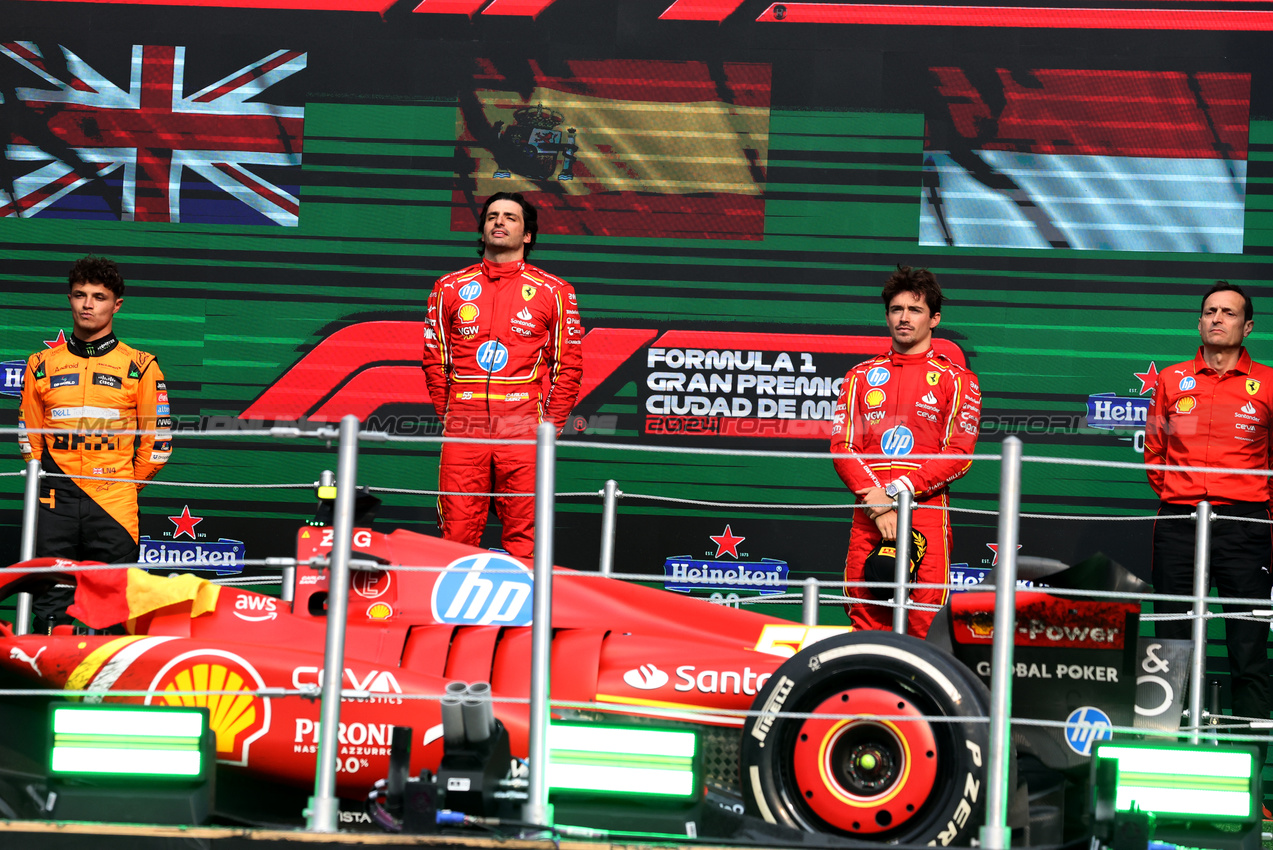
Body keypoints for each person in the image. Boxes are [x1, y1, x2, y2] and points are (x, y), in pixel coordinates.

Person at [422, 193, 584, 561]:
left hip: (524, 428)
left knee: (524, 534)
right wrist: (449, 413)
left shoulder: (555, 291)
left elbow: (568, 366)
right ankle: (455, 618)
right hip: (465, 425)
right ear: (481, 229)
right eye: (492, 216)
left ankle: (523, 619)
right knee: (457, 533)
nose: (500, 222)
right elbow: (435, 360)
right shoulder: (448, 287)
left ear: (527, 234)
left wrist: (549, 427)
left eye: (511, 217)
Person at [1144, 281, 1273, 744]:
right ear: (1199, 321)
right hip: (1179, 522)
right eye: (1210, 311)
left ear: (1248, 326)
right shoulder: (1171, 379)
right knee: (1170, 647)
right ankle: (1160, 759)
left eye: (1229, 313)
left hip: (1245, 525)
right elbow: (1155, 454)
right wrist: (1182, 496)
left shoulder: (1270, 383)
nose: (1218, 319)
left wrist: (1250, 508)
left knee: (1249, 649)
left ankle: (1255, 780)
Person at [18, 255, 172, 629]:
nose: (88, 304)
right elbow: (30, 437)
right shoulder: (41, 364)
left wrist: (124, 483)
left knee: (114, 609)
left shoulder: (141, 365)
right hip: (55, 501)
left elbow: (159, 441)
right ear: (69, 299)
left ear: (116, 304)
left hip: (115, 501)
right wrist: (49, 477)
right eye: (79, 295)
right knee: (50, 606)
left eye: (99, 297)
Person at [830, 265, 981, 638]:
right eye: (896, 309)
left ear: (934, 319)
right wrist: (877, 504)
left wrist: (894, 495)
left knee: (924, 620)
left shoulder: (958, 379)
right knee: (864, 618)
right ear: (886, 316)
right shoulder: (859, 377)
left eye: (915, 310)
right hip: (869, 512)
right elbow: (842, 447)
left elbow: (959, 453)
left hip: (925, 512)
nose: (904, 317)